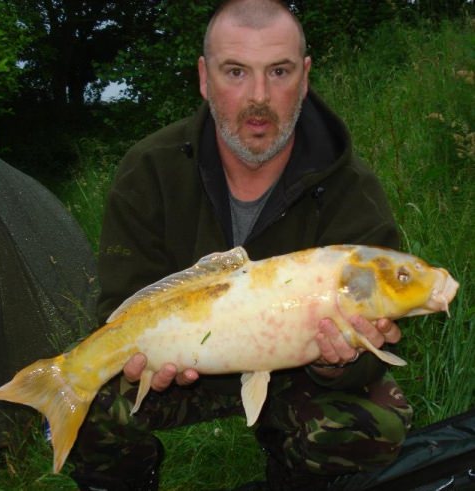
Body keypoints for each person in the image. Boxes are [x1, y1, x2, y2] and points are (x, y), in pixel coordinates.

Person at [70, 1, 412, 490]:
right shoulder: (148, 170)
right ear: (205, 78)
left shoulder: (351, 188)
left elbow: (374, 343)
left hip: (293, 366)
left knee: (372, 425)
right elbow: (118, 306)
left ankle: (292, 469)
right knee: (88, 405)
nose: (259, 97)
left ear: (306, 76)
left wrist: (337, 363)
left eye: (279, 71)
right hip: (181, 360)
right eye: (236, 72)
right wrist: (144, 360)